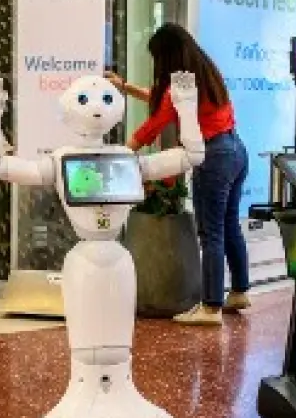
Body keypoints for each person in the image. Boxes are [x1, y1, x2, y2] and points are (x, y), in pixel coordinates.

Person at [106, 23, 250, 325]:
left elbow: (153, 126)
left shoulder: (181, 87)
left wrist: (121, 152)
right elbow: (165, 103)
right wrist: (127, 87)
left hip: (212, 156)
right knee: (228, 226)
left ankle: (210, 307)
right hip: (236, 150)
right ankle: (239, 291)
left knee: (211, 232)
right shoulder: (207, 73)